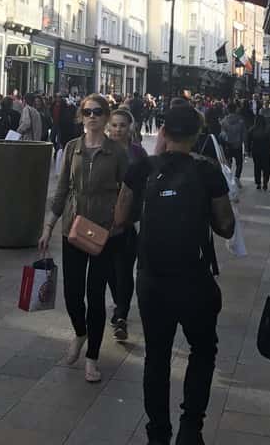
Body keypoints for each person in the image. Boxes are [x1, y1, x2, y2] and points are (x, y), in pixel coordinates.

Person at [122, 103, 235, 445]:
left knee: (157, 355)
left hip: (152, 279)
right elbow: (226, 226)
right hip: (193, 279)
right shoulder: (208, 171)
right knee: (202, 349)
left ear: (164, 132)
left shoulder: (141, 168)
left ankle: (158, 433)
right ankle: (191, 428)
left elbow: (119, 218)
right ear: (197, 135)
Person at [38, 94, 129, 384]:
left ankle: (92, 357)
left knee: (95, 295)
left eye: (98, 112)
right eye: (87, 112)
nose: (92, 116)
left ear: (106, 116)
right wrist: (49, 225)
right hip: (73, 228)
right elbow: (62, 188)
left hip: (105, 232)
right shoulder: (72, 148)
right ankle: (80, 332)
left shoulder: (116, 152)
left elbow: (128, 189)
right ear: (81, 116)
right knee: (73, 294)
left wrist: (121, 219)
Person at [105, 108, 147, 343]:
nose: (118, 129)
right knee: (110, 269)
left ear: (130, 128)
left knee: (123, 268)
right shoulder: (101, 151)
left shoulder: (138, 153)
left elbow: (143, 186)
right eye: (114, 125)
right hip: (102, 221)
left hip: (128, 221)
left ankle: (121, 314)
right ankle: (119, 304)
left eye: (122, 125)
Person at [219, 102, 246, 182]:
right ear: (236, 110)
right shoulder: (241, 120)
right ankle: (237, 178)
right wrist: (246, 146)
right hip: (238, 144)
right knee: (239, 163)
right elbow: (244, 133)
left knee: (228, 162)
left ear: (228, 110)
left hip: (228, 145)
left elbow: (222, 134)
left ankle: (229, 178)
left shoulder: (224, 121)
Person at [249, 114, 270, 191]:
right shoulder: (268, 129)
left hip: (256, 151)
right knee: (266, 167)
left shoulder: (252, 130)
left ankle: (258, 183)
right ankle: (265, 182)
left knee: (257, 167)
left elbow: (248, 141)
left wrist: (248, 151)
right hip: (266, 150)